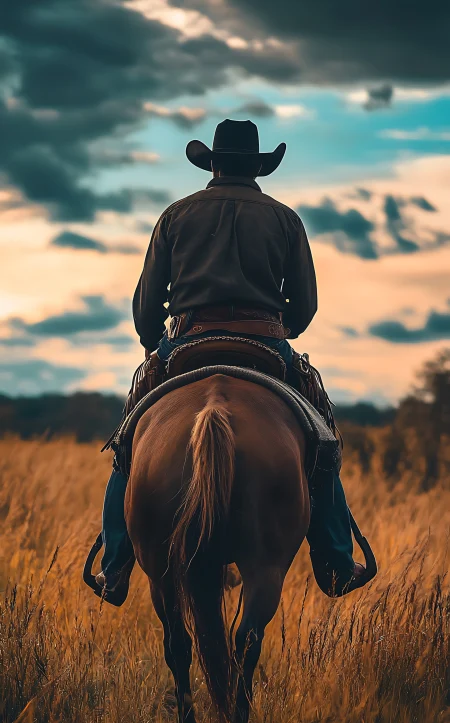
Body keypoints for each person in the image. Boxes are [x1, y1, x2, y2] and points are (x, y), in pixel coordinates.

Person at [94, 119, 371, 604]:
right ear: (259, 167)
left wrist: (152, 340)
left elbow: (145, 307)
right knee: (323, 443)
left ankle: (116, 567)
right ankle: (334, 561)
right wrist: (279, 329)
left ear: (213, 163)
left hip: (186, 345)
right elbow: (304, 306)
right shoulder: (285, 219)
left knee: (126, 448)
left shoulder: (175, 216)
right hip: (263, 345)